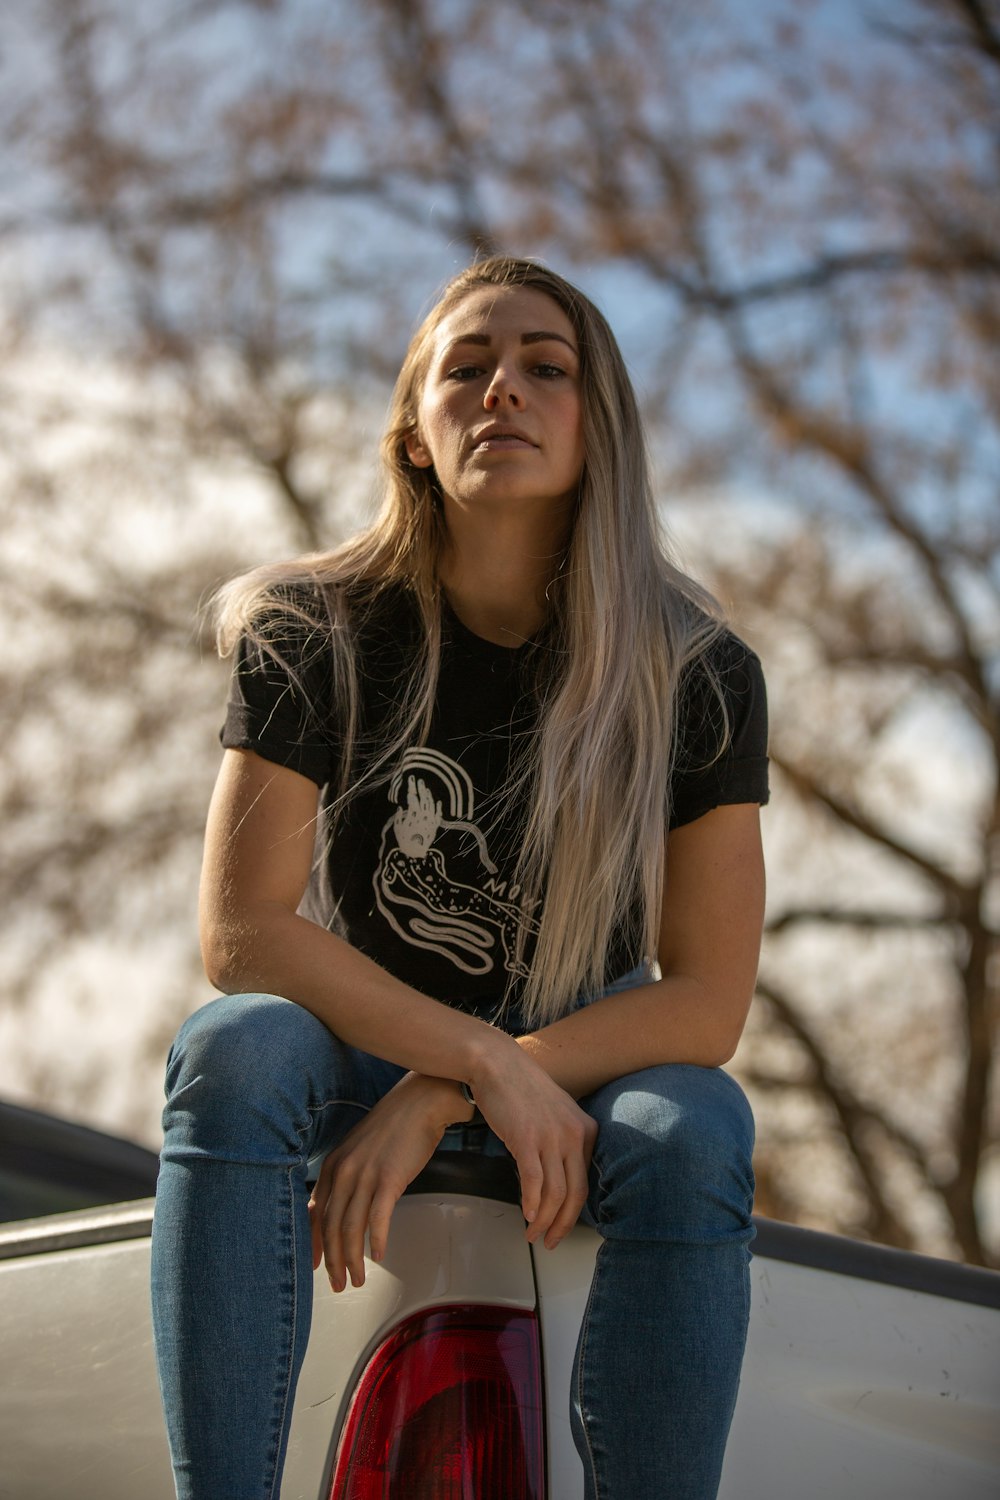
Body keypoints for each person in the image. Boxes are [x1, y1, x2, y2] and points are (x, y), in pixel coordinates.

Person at [151, 255, 769, 1500]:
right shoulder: (313, 625)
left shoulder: (695, 669)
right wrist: (468, 1060)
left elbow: (706, 1003)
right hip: (355, 1062)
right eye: (467, 367)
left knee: (696, 1123)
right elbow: (245, 933)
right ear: (416, 433)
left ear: (601, 431)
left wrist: (461, 1091)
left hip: (579, 1085)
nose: (503, 392)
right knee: (238, 1047)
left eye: (548, 367)